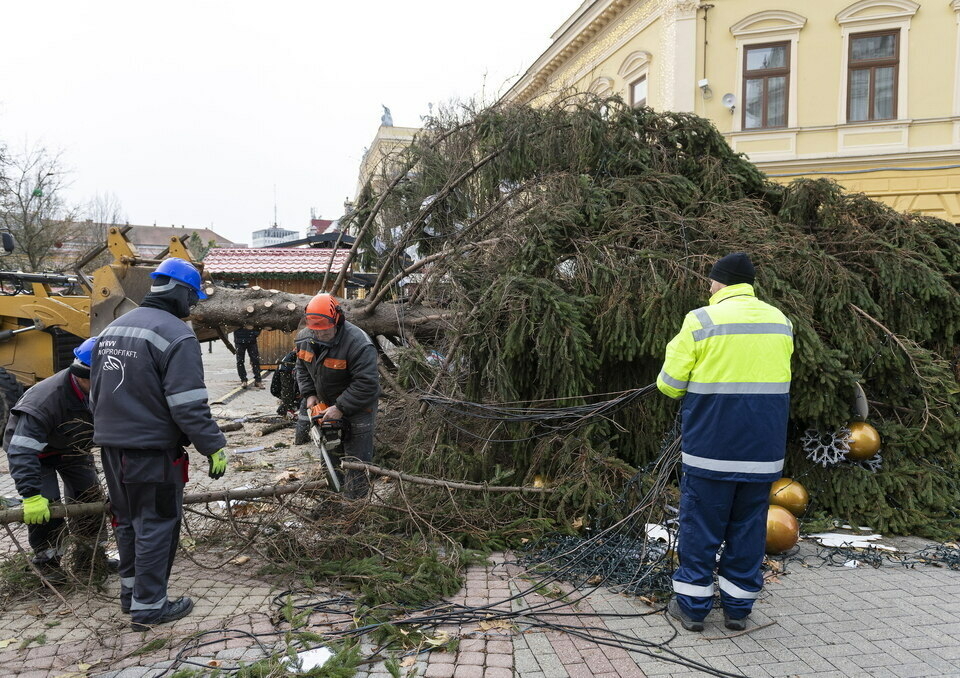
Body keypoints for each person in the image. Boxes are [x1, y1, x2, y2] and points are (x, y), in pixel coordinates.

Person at [656, 252, 793, 632]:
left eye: (711, 280)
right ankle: (738, 610)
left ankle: (693, 609)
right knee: (748, 529)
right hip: (763, 452)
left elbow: (669, 385)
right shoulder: (781, 321)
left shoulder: (701, 319)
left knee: (701, 526)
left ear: (722, 282)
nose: (708, 285)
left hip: (712, 449)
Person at [91, 257, 228, 631]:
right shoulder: (176, 334)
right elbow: (187, 405)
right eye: (192, 297)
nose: (193, 305)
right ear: (181, 292)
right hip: (151, 452)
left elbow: (95, 393)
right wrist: (213, 444)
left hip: (112, 449)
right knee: (156, 524)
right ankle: (150, 607)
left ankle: (131, 595)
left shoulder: (114, 328)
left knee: (129, 523)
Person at [4, 337, 109, 581]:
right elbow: (22, 451)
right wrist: (30, 494)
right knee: (46, 507)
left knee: (89, 496)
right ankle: (49, 565)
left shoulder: (102, 388)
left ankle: (90, 560)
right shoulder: (45, 400)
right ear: (86, 375)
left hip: (72, 448)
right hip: (35, 455)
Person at [295, 293, 379, 499]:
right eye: (316, 331)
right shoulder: (306, 338)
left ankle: (355, 506)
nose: (320, 335)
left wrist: (340, 408)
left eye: (325, 331)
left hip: (358, 408)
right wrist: (310, 394)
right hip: (326, 404)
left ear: (337, 319)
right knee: (329, 456)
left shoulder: (358, 344)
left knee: (356, 462)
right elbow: (302, 368)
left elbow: (366, 383)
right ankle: (334, 499)